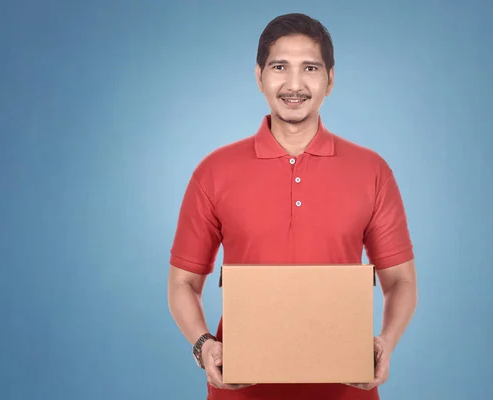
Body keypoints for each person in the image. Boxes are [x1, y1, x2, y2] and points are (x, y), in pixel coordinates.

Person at [167, 12, 418, 400]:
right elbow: (183, 283)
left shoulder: (372, 170)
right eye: (280, 67)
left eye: (310, 68)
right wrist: (204, 346)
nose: (295, 84)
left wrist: (387, 341)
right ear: (259, 76)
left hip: (347, 389)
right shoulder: (214, 171)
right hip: (241, 390)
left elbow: (401, 281)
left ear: (330, 80)